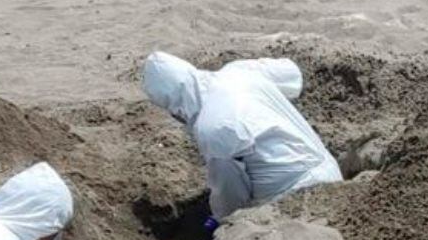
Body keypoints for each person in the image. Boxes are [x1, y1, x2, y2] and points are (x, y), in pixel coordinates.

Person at [140, 51, 343, 225]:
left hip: (294, 200)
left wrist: (219, 223)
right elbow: (291, 74)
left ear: (175, 107)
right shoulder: (239, 72)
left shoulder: (212, 127)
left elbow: (230, 197)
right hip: (332, 175)